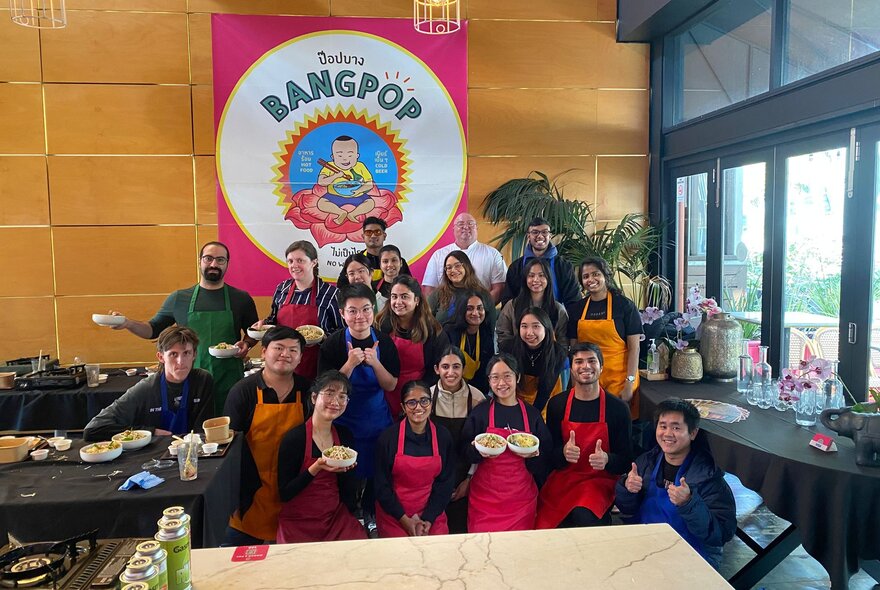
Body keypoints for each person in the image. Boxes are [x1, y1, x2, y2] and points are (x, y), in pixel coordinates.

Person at [110, 241, 258, 415]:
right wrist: (127, 323)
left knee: (229, 430)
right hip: (188, 379)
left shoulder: (241, 298)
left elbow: (253, 333)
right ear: (200, 261)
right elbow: (152, 329)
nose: (214, 264)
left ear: (227, 264)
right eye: (208, 258)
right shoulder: (179, 298)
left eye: (220, 260)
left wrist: (246, 344)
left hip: (229, 379)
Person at [615, 398, 736, 569]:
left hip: (692, 553)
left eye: (676, 427)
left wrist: (689, 504)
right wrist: (627, 489)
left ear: (693, 433)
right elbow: (628, 510)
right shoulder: (645, 463)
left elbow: (721, 534)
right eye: (663, 426)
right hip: (646, 543)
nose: (668, 433)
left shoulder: (708, 477)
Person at [318, 283, 400, 534]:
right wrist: (349, 364)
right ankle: (349, 517)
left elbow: (391, 384)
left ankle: (371, 513)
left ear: (373, 311)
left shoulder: (384, 343)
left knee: (377, 472)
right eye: (352, 311)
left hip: (377, 420)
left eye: (365, 309)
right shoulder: (332, 344)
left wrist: (375, 363)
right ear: (342, 313)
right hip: (343, 423)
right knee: (346, 474)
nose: (359, 317)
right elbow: (326, 389)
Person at [223, 327, 311, 545]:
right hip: (251, 489)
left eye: (293, 350)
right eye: (278, 348)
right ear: (263, 352)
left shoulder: (307, 390)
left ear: (300, 358)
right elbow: (229, 443)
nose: (285, 354)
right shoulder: (243, 391)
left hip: (293, 488)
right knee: (239, 560)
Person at [536, 342, 632, 529]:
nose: (585, 366)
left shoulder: (618, 409)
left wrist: (607, 459)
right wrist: (563, 453)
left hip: (599, 481)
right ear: (571, 369)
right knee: (544, 526)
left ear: (601, 367)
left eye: (591, 361)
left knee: (585, 518)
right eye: (578, 361)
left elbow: (626, 459)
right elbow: (549, 456)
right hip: (564, 479)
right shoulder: (557, 405)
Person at [462, 354, 552, 532]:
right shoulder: (481, 413)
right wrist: (476, 450)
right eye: (495, 377)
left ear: (517, 377)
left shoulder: (531, 414)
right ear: (488, 381)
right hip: (485, 500)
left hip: (521, 500)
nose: (501, 383)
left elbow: (545, 455)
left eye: (507, 376)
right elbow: (464, 451)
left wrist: (534, 455)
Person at [276, 371, 366, 543]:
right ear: (314, 397)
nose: (335, 402)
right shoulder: (295, 438)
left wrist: (347, 472)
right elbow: (285, 494)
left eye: (342, 396)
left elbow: (347, 490)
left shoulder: (344, 436)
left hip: (334, 518)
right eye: (330, 393)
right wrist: (315, 467)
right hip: (298, 521)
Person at [83, 326, 213, 441]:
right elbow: (93, 429)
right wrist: (149, 432)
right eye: (174, 354)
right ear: (161, 357)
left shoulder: (202, 380)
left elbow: (204, 430)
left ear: (194, 354)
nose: (181, 361)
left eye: (186, 353)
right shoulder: (146, 388)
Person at [375, 381, 456, 537]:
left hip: (431, 512)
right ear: (403, 407)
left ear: (431, 404)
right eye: (411, 402)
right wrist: (404, 520)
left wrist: (428, 519)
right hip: (394, 514)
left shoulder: (443, 436)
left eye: (424, 401)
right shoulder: (388, 438)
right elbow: (381, 486)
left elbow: (445, 483)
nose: (418, 407)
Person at [566, 256, 643, 418]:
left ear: (605, 276)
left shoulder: (624, 306)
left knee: (617, 428)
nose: (591, 279)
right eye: (585, 276)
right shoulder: (577, 309)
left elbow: (635, 348)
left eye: (595, 274)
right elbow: (573, 350)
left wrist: (629, 383)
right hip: (587, 377)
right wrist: (575, 383)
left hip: (619, 380)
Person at [259, 240, 342, 380]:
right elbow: (273, 320)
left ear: (313, 262)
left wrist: (323, 338)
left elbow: (342, 332)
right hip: (283, 365)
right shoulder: (282, 289)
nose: (294, 265)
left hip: (317, 367)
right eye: (290, 261)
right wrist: (262, 326)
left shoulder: (331, 294)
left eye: (300, 260)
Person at [429, 345, 488, 533]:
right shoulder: (427, 398)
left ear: (463, 369)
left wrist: (469, 480)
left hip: (466, 473)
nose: (451, 372)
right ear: (437, 369)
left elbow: (482, 444)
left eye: (456, 366)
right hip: (434, 475)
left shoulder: (478, 399)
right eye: (445, 367)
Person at [376, 275, 446, 415]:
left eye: (404, 297)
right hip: (386, 392)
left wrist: (418, 395)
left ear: (417, 300)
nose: (398, 302)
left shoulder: (432, 330)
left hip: (419, 395)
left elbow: (437, 369)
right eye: (394, 297)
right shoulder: (381, 325)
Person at [422, 213, 507, 303]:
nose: (466, 227)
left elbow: (499, 288)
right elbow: (429, 289)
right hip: (446, 313)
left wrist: (481, 308)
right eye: (460, 224)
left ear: (477, 228)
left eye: (470, 223)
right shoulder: (438, 255)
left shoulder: (493, 254)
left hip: (480, 313)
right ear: (453, 229)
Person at [502, 217, 580, 307]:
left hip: (555, 318)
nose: (540, 236)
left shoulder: (563, 266)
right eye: (535, 232)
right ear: (528, 236)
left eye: (544, 232)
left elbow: (573, 300)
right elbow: (508, 300)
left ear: (550, 236)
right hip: (523, 319)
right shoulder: (516, 267)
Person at [497, 258, 569, 353]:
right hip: (517, 360)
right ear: (525, 279)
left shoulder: (558, 309)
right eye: (531, 276)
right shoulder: (512, 306)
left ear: (548, 279)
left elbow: (563, 342)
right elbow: (503, 337)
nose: (536, 280)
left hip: (549, 361)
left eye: (541, 275)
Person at [509, 307, 569, 414]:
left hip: (544, 403)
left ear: (546, 328)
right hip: (513, 401)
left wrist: (531, 417)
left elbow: (545, 392)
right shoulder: (509, 347)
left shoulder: (558, 353)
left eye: (536, 326)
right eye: (524, 326)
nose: (529, 333)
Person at [441, 291, 497, 394]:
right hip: (450, 387)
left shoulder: (485, 332)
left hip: (477, 390)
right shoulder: (449, 332)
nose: (476, 313)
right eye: (469, 309)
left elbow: (487, 366)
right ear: (461, 311)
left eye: (480, 308)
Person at [316, 135, 377, 225]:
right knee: (321, 203)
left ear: (357, 156)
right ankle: (341, 212)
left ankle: (353, 214)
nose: (345, 158)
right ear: (333, 157)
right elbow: (321, 182)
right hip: (334, 196)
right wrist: (335, 176)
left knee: (370, 203)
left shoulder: (360, 166)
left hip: (357, 196)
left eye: (350, 155)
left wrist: (359, 190)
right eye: (340, 155)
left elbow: (370, 183)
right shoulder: (329, 166)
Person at [427, 250, 496, 325]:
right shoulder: (438, 294)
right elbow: (427, 322)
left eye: (458, 265)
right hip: (442, 336)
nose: (453, 270)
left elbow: (490, 326)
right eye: (449, 267)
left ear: (467, 266)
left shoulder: (483, 294)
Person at [361, 217, 411, 283]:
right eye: (368, 232)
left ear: (384, 236)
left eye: (377, 232)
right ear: (363, 236)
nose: (373, 236)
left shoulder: (398, 262)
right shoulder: (357, 261)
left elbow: (409, 286)